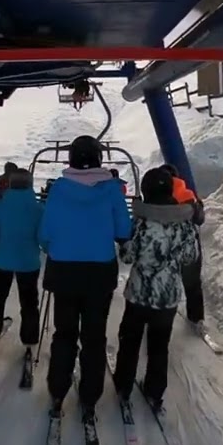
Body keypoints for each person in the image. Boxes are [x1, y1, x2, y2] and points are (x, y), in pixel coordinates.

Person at [38, 135, 132, 422]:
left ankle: (58, 391)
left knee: (64, 333)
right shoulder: (112, 190)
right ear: (99, 158)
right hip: (99, 274)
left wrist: (56, 247)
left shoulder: (59, 189)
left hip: (64, 271)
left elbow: (45, 233)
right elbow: (123, 231)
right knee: (94, 336)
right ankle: (90, 396)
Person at [113, 167, 201, 413]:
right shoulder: (184, 224)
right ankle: (155, 391)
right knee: (159, 346)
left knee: (129, 340)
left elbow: (127, 256)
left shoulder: (141, 222)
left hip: (138, 295)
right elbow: (190, 256)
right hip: (167, 297)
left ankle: (123, 384)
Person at [0, 169, 44, 353]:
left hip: (2, 261)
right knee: (29, 303)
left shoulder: (0, 207)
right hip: (28, 263)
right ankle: (29, 339)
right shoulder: (39, 209)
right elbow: (43, 238)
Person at [160, 163, 206, 330]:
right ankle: (196, 318)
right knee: (192, 283)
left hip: (165, 244)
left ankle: (160, 316)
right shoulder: (188, 195)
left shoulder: (156, 194)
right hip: (188, 245)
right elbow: (199, 220)